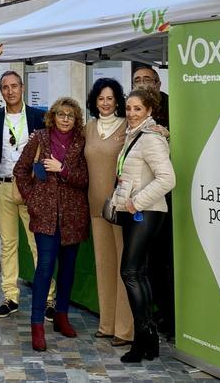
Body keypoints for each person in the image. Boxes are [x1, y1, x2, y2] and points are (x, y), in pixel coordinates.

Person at [13, 97, 89, 352]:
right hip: (44, 215)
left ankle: (61, 316)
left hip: (72, 215)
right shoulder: (40, 138)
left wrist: (63, 169)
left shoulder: (81, 141)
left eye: (70, 115)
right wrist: (32, 197)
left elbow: (85, 178)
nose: (65, 119)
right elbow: (20, 170)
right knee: (44, 267)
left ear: (76, 119)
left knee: (68, 268)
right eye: (61, 114)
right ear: (52, 117)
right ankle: (37, 324)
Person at [114, 89, 176, 363]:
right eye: (128, 108)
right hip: (136, 212)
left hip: (146, 212)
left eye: (137, 108)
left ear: (149, 110)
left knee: (129, 271)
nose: (131, 113)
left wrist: (136, 202)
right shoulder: (134, 135)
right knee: (138, 272)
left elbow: (168, 179)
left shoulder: (151, 139)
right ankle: (148, 341)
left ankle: (144, 339)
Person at [0, 71, 53, 320]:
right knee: (8, 244)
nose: (10, 91)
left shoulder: (39, 117)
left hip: (32, 188)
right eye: (5, 87)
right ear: (1, 91)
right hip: (3, 186)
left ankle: (48, 297)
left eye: (14, 86)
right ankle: (10, 296)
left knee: (37, 244)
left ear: (22, 87)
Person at [83, 78, 135, 347]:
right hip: (95, 208)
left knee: (122, 268)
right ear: (95, 100)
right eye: (101, 98)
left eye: (110, 98)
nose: (105, 103)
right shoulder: (88, 129)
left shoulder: (128, 126)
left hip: (121, 207)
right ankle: (107, 324)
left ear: (118, 100)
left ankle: (125, 330)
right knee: (104, 267)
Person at [131, 63, 174, 335]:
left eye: (148, 79)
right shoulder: (132, 109)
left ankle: (170, 316)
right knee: (145, 264)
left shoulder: (171, 107)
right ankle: (155, 313)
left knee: (163, 261)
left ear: (158, 84)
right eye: (138, 79)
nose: (143, 83)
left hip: (161, 200)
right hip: (137, 199)